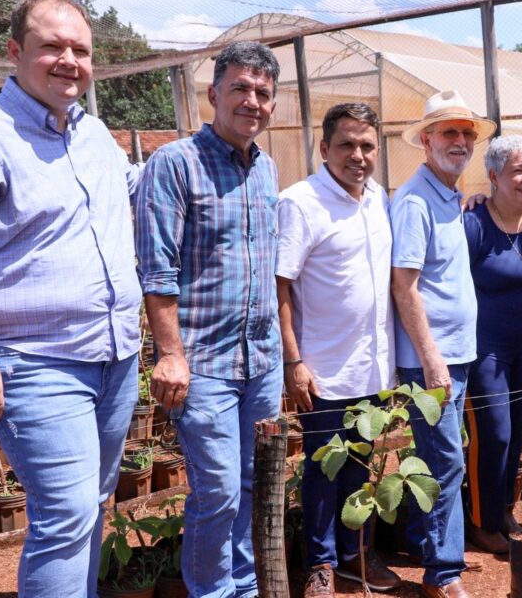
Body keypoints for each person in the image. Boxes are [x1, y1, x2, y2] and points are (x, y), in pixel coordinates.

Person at [0, 0, 142, 595]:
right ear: (15, 53)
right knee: (65, 516)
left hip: (114, 357)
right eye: (52, 47)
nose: (69, 61)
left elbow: (130, 200)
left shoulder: (94, 137)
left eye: (81, 50)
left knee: (89, 504)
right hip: (34, 362)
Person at [134, 41, 281, 598]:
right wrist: (171, 354)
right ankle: (212, 592)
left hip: (260, 360)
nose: (252, 101)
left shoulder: (266, 169)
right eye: (240, 88)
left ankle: (242, 587)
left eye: (263, 93)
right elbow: (157, 271)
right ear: (213, 93)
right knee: (216, 490)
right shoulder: (175, 164)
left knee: (250, 483)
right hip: (204, 363)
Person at [275, 103, 402, 597]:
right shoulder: (300, 202)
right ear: (324, 148)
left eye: (367, 145)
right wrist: (294, 361)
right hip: (324, 368)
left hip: (373, 366)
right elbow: (281, 286)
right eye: (347, 144)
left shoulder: (379, 199)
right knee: (322, 467)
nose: (358, 155)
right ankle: (320, 562)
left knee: (361, 462)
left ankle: (355, 553)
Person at [391, 89, 495, 598]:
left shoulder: (449, 196)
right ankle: (442, 573)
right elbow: (404, 284)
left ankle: (424, 544)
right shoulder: (415, 201)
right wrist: (431, 359)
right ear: (426, 141)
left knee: (443, 454)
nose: (459, 141)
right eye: (448, 132)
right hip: (433, 359)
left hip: (457, 352)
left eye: (465, 133)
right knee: (445, 461)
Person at [461, 135, 522, 554]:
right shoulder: (474, 223)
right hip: (484, 349)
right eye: (518, 170)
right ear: (494, 177)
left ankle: (502, 508)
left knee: (516, 431)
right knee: (492, 433)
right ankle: (481, 522)